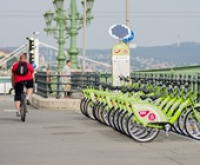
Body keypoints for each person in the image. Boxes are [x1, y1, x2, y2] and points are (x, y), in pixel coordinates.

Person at [11, 53, 34, 117]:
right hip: (28, 80)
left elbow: (13, 76)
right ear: (25, 58)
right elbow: (32, 74)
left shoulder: (15, 65)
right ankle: (27, 97)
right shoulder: (29, 65)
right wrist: (33, 81)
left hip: (18, 81)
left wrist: (13, 83)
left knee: (17, 95)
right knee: (30, 87)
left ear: (20, 58)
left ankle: (18, 111)